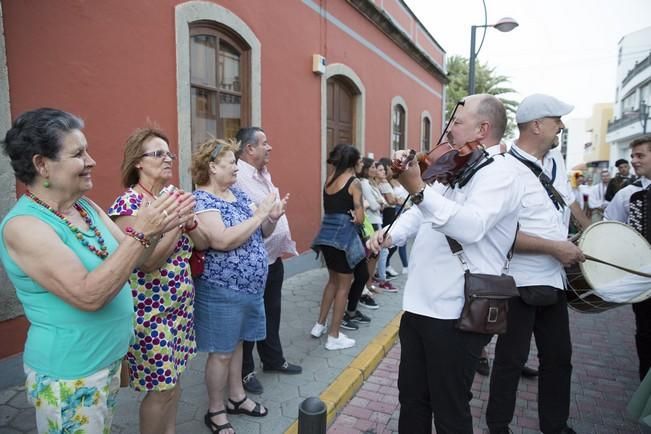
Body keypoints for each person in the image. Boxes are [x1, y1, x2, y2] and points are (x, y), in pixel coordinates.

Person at [0, 108, 193, 434]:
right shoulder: (24, 226)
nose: (91, 161)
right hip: (70, 375)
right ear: (41, 164)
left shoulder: (85, 207)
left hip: (103, 364)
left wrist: (165, 222)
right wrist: (144, 231)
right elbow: (90, 295)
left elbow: (140, 260)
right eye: (78, 153)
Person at [368, 94, 524, 433]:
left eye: (457, 122)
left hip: (458, 313)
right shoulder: (455, 166)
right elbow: (420, 212)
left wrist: (419, 188)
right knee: (412, 400)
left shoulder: (502, 175)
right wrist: (390, 235)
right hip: (419, 306)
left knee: (450, 410)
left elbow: (469, 226)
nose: (449, 128)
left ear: (482, 129)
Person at [486, 94, 589, 434]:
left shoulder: (557, 160)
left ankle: (555, 426)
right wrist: (554, 248)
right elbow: (500, 233)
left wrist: (595, 235)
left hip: (554, 280)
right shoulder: (503, 168)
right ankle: (498, 425)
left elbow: (569, 203)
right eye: (556, 119)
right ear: (536, 125)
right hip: (517, 282)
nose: (561, 125)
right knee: (510, 361)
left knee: (559, 360)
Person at [108, 127, 207, 434]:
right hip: (150, 315)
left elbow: (201, 242)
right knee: (160, 388)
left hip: (179, 308)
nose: (168, 159)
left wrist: (189, 222)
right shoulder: (127, 205)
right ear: (138, 161)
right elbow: (147, 262)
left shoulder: (170, 196)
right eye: (158, 153)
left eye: (169, 154)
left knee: (174, 382)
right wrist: (177, 222)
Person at [191, 138, 288, 434]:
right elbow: (220, 240)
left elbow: (261, 232)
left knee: (238, 346)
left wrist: (271, 218)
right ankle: (215, 410)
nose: (236, 167)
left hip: (249, 287)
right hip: (221, 289)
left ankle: (236, 397)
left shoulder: (238, 194)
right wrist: (259, 215)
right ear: (211, 167)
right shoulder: (202, 200)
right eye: (230, 162)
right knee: (221, 352)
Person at [233, 127, 302, 396]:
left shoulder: (262, 173)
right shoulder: (238, 177)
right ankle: (244, 371)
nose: (269, 147)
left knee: (272, 313)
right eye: (264, 143)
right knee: (251, 317)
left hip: (272, 258)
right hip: (252, 261)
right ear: (249, 149)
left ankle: (273, 359)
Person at [311, 144, 366, 350]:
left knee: (332, 282)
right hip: (342, 240)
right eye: (359, 161)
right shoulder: (354, 183)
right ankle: (334, 336)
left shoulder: (329, 180)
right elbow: (360, 219)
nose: (361, 164)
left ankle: (319, 325)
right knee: (344, 286)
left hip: (325, 237)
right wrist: (356, 214)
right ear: (352, 162)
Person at [605, 134, 651, 381]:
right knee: (645, 332)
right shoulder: (628, 194)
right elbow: (609, 227)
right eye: (632, 156)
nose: (634, 160)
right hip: (643, 277)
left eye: (640, 155)